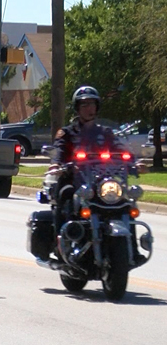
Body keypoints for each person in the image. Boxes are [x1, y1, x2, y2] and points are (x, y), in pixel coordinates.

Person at [48, 85, 145, 264]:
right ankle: (61, 246)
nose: (89, 108)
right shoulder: (67, 133)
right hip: (75, 180)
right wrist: (57, 164)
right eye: (84, 105)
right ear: (77, 108)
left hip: (101, 182)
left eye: (92, 104)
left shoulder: (105, 133)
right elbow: (59, 151)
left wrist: (134, 163)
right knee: (64, 195)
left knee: (125, 204)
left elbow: (121, 150)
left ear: (97, 107)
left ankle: (133, 249)